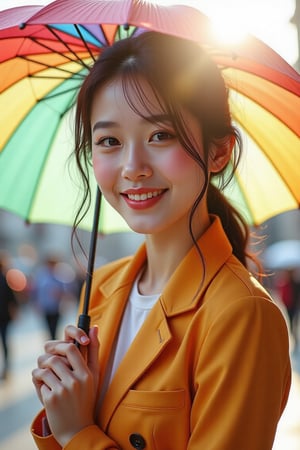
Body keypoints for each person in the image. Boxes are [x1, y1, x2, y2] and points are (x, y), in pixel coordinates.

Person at [31, 31, 291, 449]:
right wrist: (61, 401)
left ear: (218, 151)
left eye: (160, 136)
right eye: (109, 141)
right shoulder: (101, 288)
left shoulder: (241, 316)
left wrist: (78, 432)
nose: (132, 168)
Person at [32, 256, 65, 340]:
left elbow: (65, 291)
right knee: (48, 327)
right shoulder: (41, 276)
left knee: (55, 327)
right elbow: (36, 291)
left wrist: (59, 294)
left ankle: (53, 340)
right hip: (45, 306)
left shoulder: (59, 276)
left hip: (56, 307)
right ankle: (51, 341)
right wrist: (36, 303)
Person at [0, 252, 18, 380]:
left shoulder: (5, 278)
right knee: (5, 341)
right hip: (4, 316)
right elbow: (12, 299)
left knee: (5, 341)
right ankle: (6, 367)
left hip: (4, 316)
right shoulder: (5, 278)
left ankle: (6, 367)